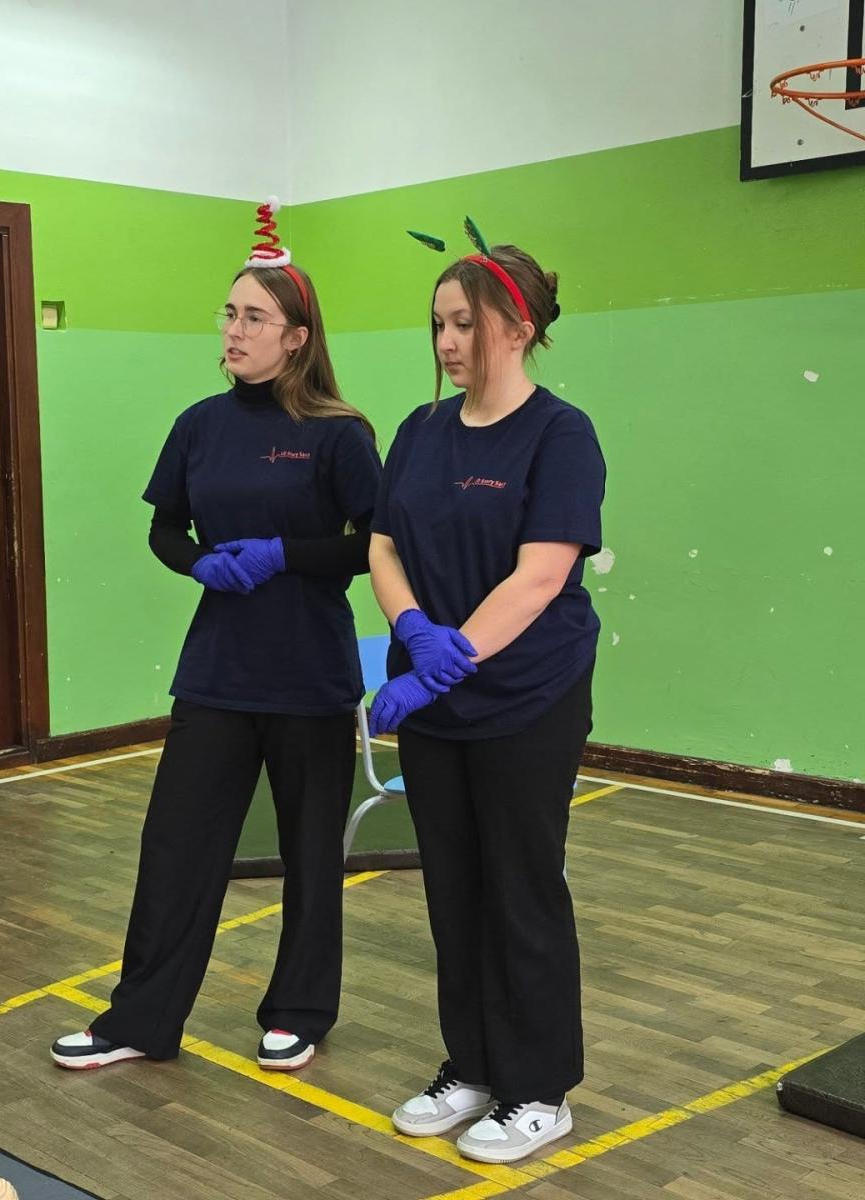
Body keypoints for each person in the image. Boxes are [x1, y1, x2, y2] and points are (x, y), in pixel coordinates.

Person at [51, 200, 382, 1074]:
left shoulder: (340, 434)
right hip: (217, 674)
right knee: (177, 849)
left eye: (254, 318)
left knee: (310, 852)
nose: (234, 331)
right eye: (229, 314)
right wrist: (200, 563)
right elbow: (164, 529)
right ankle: (140, 1020)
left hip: (309, 676)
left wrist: (284, 554)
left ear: (297, 338)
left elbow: (372, 546)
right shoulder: (199, 424)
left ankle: (300, 1012)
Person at [369, 226, 605, 1163]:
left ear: (517, 326)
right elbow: (383, 544)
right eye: (438, 324)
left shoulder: (561, 433)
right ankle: (469, 1065)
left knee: (521, 888)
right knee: (453, 888)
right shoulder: (419, 431)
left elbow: (541, 575)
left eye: (464, 323)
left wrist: (447, 657)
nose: (446, 342)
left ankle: (539, 1088)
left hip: (528, 697)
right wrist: (412, 631)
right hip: (438, 701)